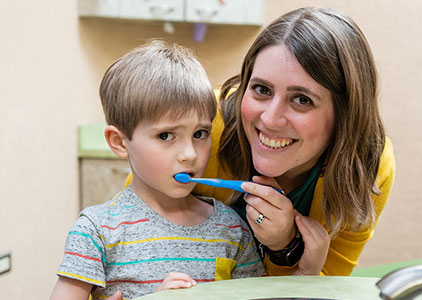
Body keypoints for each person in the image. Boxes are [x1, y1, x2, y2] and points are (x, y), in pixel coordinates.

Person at [126, 6, 395, 277]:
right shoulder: (201, 128)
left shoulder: (366, 165)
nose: (270, 118)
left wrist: (283, 248)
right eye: (261, 90)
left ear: (345, 115)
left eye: (302, 100)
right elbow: (121, 236)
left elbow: (322, 286)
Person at [50, 40, 265, 300]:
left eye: (200, 133)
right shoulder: (96, 232)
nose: (190, 154)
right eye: (165, 136)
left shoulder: (232, 228)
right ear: (119, 142)